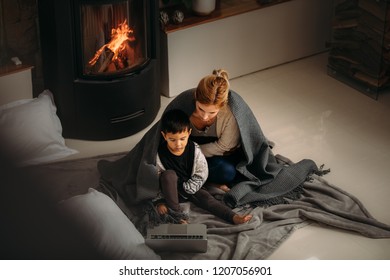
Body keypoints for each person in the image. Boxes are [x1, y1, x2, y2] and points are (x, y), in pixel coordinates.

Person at [154, 109, 252, 225]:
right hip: (171, 191)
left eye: (182, 139)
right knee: (168, 175)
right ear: (164, 136)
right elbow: (155, 179)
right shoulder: (160, 155)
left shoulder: (193, 149)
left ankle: (233, 216)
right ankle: (177, 216)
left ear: (189, 133)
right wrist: (159, 201)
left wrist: (192, 187)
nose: (178, 144)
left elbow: (202, 170)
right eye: (172, 140)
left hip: (191, 186)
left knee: (207, 199)